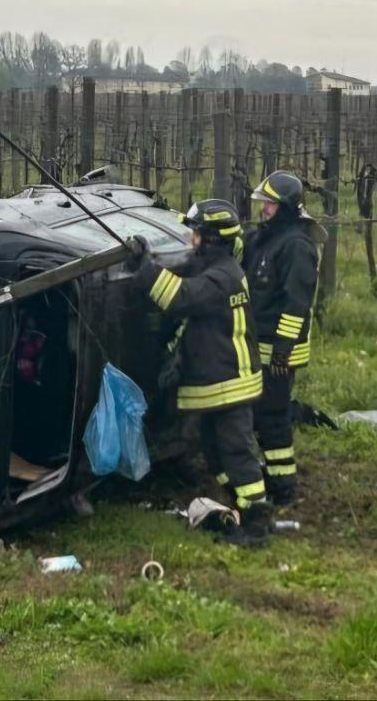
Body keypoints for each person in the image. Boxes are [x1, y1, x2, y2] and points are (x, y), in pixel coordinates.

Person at [133, 199, 273, 545]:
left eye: (195, 235)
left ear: (210, 240)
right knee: (214, 452)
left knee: (237, 453)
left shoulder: (222, 278)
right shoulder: (218, 268)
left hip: (230, 384)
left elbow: (180, 298)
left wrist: (146, 265)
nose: (191, 241)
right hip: (218, 381)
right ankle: (240, 508)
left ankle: (256, 522)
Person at [242, 171, 321, 507]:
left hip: (278, 353)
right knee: (259, 416)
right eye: (263, 203)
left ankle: (283, 486)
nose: (264, 210)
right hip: (258, 348)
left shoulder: (297, 247)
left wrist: (282, 352)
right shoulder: (264, 239)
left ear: (287, 207)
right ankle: (271, 475)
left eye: (271, 205)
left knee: (273, 417)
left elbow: (296, 304)